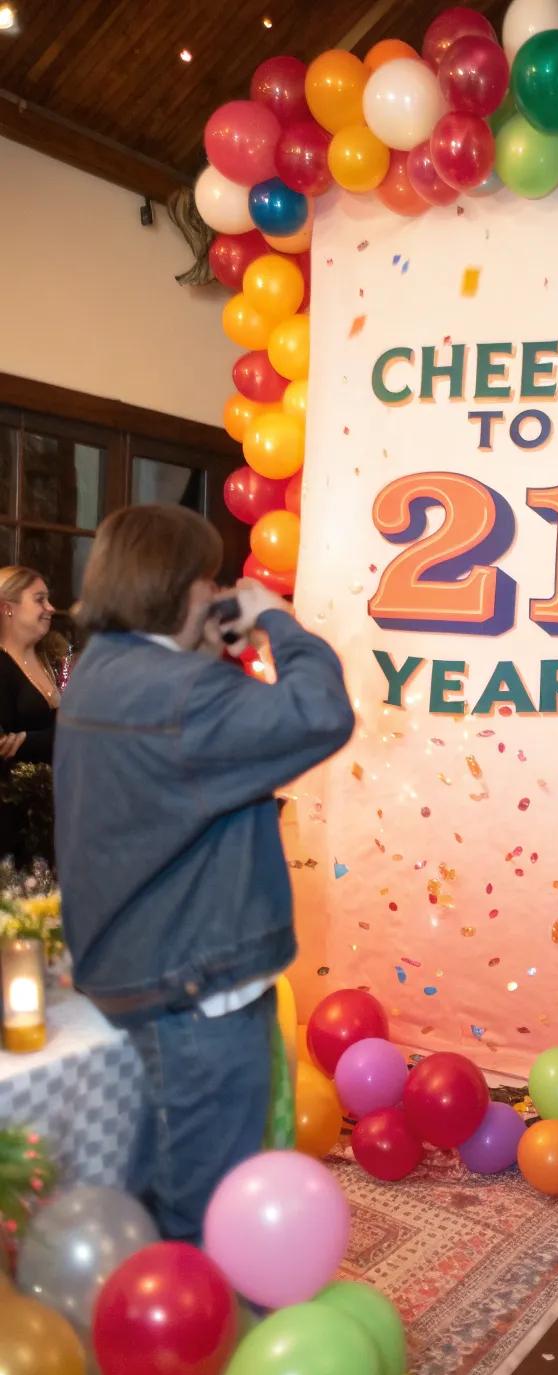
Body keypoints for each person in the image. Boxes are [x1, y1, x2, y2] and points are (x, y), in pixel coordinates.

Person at [54, 504, 354, 1242]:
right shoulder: (183, 695)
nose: (219, 591)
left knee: (148, 1196)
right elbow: (321, 712)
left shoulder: (100, 670)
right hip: (194, 987)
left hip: (131, 967)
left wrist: (212, 646)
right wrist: (276, 622)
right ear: (185, 588)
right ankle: (202, 1354)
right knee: (208, 1219)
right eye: (212, 578)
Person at [0, 567, 60, 868]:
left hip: (62, 811)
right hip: (15, 823)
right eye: (40, 600)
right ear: (6, 608)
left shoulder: (56, 659)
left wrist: (29, 741)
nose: (50, 608)